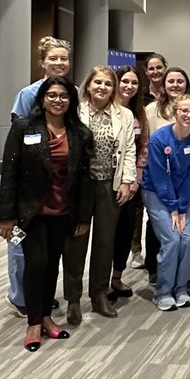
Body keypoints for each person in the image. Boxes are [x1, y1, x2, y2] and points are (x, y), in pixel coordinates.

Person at [0, 77, 93, 351]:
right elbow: (9, 173)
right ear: (42, 99)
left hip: (63, 212)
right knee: (36, 263)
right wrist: (6, 216)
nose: (58, 100)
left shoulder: (80, 134)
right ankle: (33, 322)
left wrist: (84, 217)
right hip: (32, 211)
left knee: (52, 265)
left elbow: (84, 180)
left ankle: (48, 319)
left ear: (71, 101)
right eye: (52, 95)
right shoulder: (24, 127)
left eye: (63, 96)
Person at [5, 36, 72, 318]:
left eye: (63, 58)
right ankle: (19, 297)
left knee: (48, 252)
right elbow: (17, 141)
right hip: (30, 185)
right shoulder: (27, 94)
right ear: (42, 62)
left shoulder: (72, 91)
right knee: (22, 247)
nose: (59, 63)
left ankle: (41, 296)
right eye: (53, 58)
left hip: (57, 185)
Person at [70, 66, 136, 322]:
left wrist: (128, 180)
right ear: (88, 85)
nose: (102, 88)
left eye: (108, 84)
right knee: (76, 242)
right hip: (81, 188)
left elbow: (129, 149)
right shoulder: (75, 112)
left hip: (110, 185)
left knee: (104, 243)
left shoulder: (125, 115)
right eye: (98, 82)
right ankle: (73, 299)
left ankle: (99, 294)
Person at [142, 94, 190, 311]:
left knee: (188, 240)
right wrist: (173, 208)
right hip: (157, 192)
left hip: (183, 193)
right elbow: (159, 176)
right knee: (172, 239)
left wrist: (181, 206)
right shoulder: (159, 139)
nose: (188, 115)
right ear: (175, 112)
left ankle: (180, 288)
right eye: (184, 110)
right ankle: (163, 291)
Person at [111, 66, 148, 291]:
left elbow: (143, 148)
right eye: (125, 81)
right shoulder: (107, 110)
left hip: (131, 183)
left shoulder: (139, 113)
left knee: (124, 231)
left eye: (134, 83)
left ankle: (116, 277)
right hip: (106, 182)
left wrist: (135, 180)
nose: (129, 86)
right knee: (106, 234)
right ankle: (100, 281)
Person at [147, 67, 190, 132]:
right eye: (171, 81)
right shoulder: (151, 109)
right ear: (164, 85)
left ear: (186, 86)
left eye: (180, 82)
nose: (175, 85)